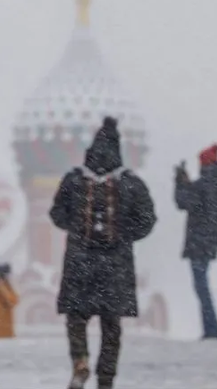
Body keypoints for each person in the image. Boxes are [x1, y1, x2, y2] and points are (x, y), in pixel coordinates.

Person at [51, 117, 157, 389]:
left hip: (80, 262)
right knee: (111, 326)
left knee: (76, 318)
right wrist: (123, 236)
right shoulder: (131, 183)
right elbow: (146, 220)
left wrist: (76, 230)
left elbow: (56, 214)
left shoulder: (74, 179)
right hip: (115, 265)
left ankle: (80, 362)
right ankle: (106, 378)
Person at [175, 144, 217, 340]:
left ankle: (211, 330)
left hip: (198, 241)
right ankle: (211, 329)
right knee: (202, 285)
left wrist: (180, 182)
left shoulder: (205, 184)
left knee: (201, 287)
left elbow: (183, 202)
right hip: (209, 241)